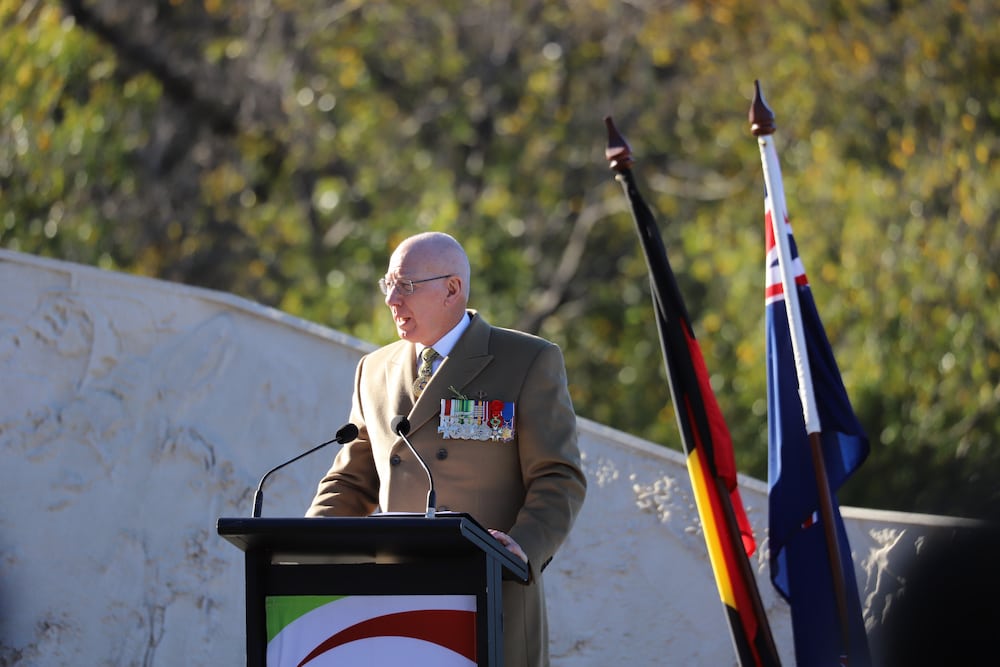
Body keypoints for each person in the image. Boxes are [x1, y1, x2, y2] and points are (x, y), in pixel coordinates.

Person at [307, 231, 587, 666]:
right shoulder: (373, 370)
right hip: (396, 602)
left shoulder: (526, 361)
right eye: (388, 284)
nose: (391, 300)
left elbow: (559, 476)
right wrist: (308, 543)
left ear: (452, 289)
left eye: (406, 286)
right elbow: (351, 478)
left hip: (490, 594)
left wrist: (522, 546)